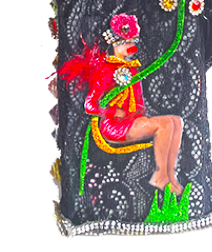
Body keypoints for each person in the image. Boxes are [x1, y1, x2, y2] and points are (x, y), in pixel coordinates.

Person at [59, 13, 184, 195]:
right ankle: (160, 176)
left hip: (132, 120)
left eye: (133, 42)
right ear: (115, 43)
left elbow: (138, 102)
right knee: (164, 124)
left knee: (176, 121)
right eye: (127, 42)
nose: (131, 46)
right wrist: (113, 111)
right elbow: (90, 104)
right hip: (113, 125)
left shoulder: (133, 69)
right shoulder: (106, 70)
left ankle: (170, 174)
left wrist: (138, 115)